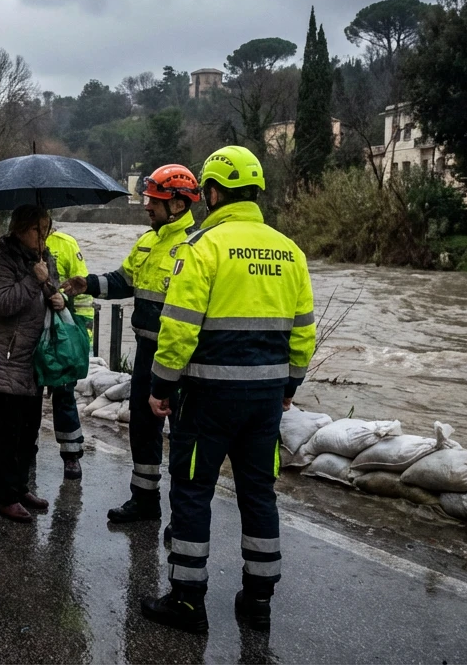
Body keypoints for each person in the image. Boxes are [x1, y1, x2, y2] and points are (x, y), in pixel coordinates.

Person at [141, 146, 315, 634]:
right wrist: (290, 385)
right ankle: (258, 599)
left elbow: (178, 328)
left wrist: (161, 386)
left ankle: (188, 601)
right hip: (264, 402)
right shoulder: (290, 251)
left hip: (207, 398)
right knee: (259, 493)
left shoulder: (202, 247)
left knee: (193, 492)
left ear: (213, 193)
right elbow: (304, 332)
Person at [61, 163, 201, 524]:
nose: (146, 206)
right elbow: (123, 282)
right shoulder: (147, 242)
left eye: (153, 200)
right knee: (142, 427)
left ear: (179, 205)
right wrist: (86, 284)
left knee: (185, 437)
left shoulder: (196, 247)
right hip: (146, 353)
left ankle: (183, 518)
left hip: (185, 358)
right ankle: (144, 500)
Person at [0, 204, 64, 523]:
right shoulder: (1, 259)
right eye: (38, 229)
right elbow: (3, 303)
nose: (44, 235)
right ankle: (6, 498)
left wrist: (57, 294)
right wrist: (34, 282)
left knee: (28, 431)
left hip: (30, 361)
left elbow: (51, 288)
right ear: (20, 229)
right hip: (0, 360)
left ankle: (21, 488)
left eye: (47, 228)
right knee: (5, 435)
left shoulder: (44, 258)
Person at [45, 225, 94, 480]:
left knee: (64, 393)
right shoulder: (15, 245)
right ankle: (25, 451)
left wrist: (84, 332)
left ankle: (72, 455)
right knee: (26, 398)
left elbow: (82, 289)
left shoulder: (65, 244)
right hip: (30, 332)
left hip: (62, 331)